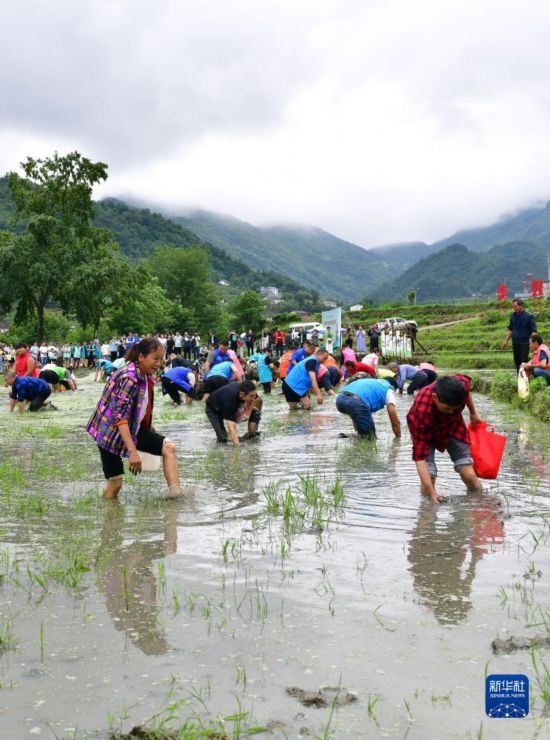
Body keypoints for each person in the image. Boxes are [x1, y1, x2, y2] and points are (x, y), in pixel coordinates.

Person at [86, 336, 183, 500]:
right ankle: (108, 518)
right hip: (109, 433)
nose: (159, 363)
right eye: (155, 358)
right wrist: (132, 452)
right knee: (115, 484)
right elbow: (120, 418)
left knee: (169, 448)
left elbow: (138, 406)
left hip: (132, 429)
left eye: (161, 359)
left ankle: (176, 496)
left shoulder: (145, 376)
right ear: (141, 357)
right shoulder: (129, 378)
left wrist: (146, 425)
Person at [406, 375, 483, 504]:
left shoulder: (461, 385)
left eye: (455, 408)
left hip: (453, 426)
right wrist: (432, 493)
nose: (451, 411)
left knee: (469, 475)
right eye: (447, 408)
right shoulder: (421, 411)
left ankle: (478, 506)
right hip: (427, 432)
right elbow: (420, 458)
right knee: (429, 478)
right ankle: (427, 515)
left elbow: (467, 393)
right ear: (434, 397)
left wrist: (473, 412)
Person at [336, 377, 401, 439]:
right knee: (370, 439)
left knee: (362, 435)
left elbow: (356, 414)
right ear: (393, 387)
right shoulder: (389, 390)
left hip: (340, 399)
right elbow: (394, 420)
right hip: (355, 402)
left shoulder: (372, 382)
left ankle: (354, 437)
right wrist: (398, 438)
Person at [205, 380, 262, 445]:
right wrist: (237, 447)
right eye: (251, 396)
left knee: (255, 412)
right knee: (223, 438)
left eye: (254, 395)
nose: (253, 397)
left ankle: (252, 435)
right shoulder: (229, 401)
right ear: (242, 394)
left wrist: (248, 414)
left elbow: (254, 400)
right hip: (213, 409)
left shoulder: (250, 391)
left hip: (233, 402)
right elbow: (231, 425)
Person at [502, 298, 537, 373]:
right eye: (512, 307)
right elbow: (511, 329)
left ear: (521, 306)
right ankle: (519, 379)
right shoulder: (512, 316)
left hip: (525, 343)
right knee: (517, 361)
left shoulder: (529, 316)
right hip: (515, 342)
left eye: (515, 306)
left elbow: (533, 331)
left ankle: (525, 378)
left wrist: (533, 343)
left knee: (523, 361)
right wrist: (506, 340)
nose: (513, 308)